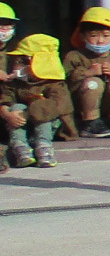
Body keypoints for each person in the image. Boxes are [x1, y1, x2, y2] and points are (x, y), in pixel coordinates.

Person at [63, 7, 110, 138]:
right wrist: (87, 73)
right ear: (83, 36)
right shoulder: (74, 56)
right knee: (93, 83)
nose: (100, 41)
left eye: (106, 35)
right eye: (94, 36)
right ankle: (90, 123)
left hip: (108, 104)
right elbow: (64, 80)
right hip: (81, 106)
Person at [3, 34, 71, 167]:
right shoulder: (14, 82)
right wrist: (8, 114)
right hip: (24, 126)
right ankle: (20, 147)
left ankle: (44, 148)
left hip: (49, 126)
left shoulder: (56, 84)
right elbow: (6, 99)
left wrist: (25, 115)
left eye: (22, 62)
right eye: (17, 61)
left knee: (42, 109)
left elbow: (55, 107)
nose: (17, 65)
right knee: (16, 107)